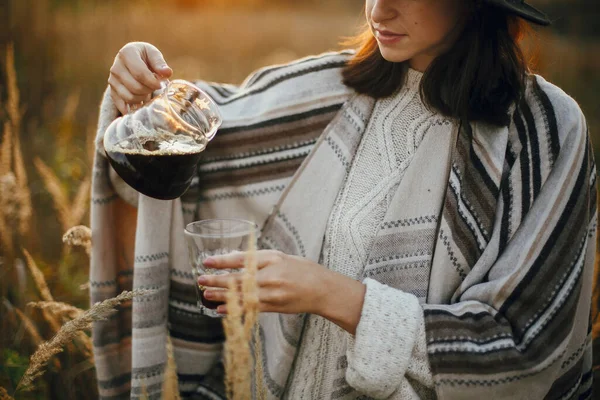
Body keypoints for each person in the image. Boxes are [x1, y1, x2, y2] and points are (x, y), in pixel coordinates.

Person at [91, 0, 596, 399]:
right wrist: (140, 92)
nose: (378, 10)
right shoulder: (329, 90)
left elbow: (528, 346)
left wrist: (331, 294)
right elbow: (188, 144)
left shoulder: (542, 133)